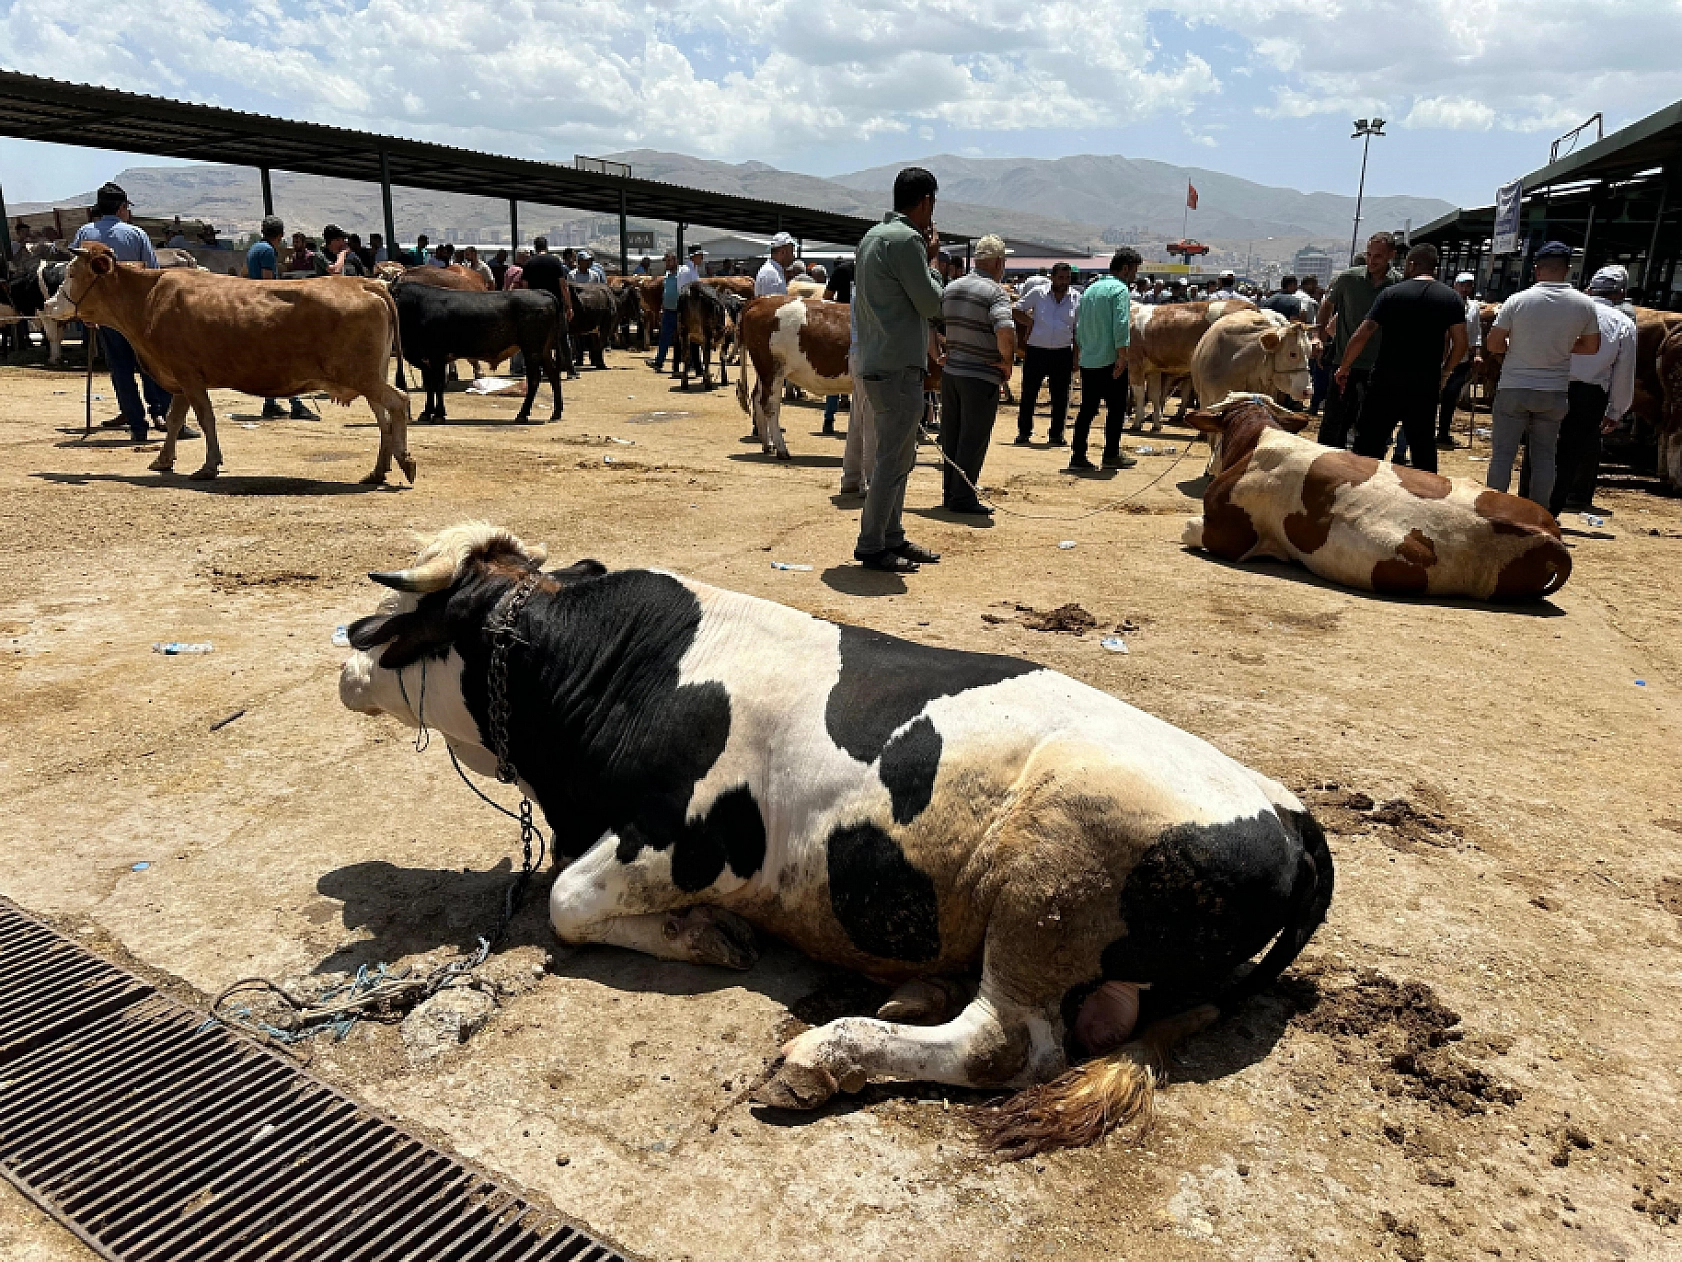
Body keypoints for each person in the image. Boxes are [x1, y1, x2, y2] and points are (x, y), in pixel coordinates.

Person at [851, 166, 946, 574]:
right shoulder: (908, 241)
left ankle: (891, 535)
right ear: (926, 202)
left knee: (898, 456)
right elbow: (932, 303)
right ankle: (872, 544)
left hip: (876, 359)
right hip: (898, 367)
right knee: (893, 460)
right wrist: (933, 260)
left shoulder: (872, 237)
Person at [1484, 241, 1601, 509]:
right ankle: (1538, 514)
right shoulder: (1584, 304)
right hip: (1553, 391)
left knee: (1503, 454)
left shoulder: (1518, 300)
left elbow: (1493, 344)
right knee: (1545, 457)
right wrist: (1560, 347)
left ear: (1537, 269)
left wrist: (1517, 346)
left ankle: (1493, 513)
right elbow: (1591, 347)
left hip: (1514, 386)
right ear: (1568, 270)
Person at [69, 182, 188, 445]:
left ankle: (137, 426)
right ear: (122, 207)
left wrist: (85, 312)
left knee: (120, 369)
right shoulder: (136, 234)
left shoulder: (84, 234)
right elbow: (153, 272)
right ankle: (167, 419)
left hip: (106, 315)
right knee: (152, 366)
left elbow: (76, 275)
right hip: (137, 316)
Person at [1336, 243, 1467, 474]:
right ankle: (1425, 493)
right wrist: (1445, 372)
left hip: (1386, 380)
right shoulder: (1451, 298)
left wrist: (1344, 366)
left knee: (1369, 443)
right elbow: (1460, 343)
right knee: (1422, 446)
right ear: (1435, 268)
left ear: (1412, 265)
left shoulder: (1392, 294)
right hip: (1425, 383)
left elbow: (1363, 333)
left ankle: (1362, 487)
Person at [1537, 266, 1636, 514]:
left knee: (1540, 444)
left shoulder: (1563, 312)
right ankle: (1551, 510)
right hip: (1589, 395)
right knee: (1570, 453)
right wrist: (1616, 410)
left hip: (1551, 383)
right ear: (1620, 294)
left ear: (1589, 289)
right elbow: (1624, 372)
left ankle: (1528, 503)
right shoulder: (1623, 323)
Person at [937, 234, 1017, 514]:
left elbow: (933, 324)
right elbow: (1005, 330)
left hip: (951, 373)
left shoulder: (951, 288)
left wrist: (941, 353)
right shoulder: (995, 293)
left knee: (951, 435)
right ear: (998, 262)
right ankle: (963, 498)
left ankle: (950, 493)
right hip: (980, 375)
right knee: (973, 438)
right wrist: (1007, 362)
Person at [1314, 232, 1400, 449]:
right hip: (1344, 364)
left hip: (1378, 367)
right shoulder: (1348, 279)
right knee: (1334, 424)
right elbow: (1327, 305)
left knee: (1370, 425)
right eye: (1369, 254)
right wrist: (1318, 336)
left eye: (1378, 256)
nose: (1372, 261)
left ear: (1391, 255)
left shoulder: (1398, 285)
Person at [1067, 247, 1142, 472]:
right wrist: (1122, 355)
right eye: (1134, 270)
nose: (1135, 275)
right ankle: (1110, 454)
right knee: (1116, 409)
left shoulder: (1091, 289)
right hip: (1110, 359)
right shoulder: (1119, 290)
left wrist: (1080, 352)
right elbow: (1121, 324)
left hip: (1089, 358)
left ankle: (1078, 456)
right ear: (1126, 268)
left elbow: (1080, 325)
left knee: (1087, 409)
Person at [245, 216, 319, 421]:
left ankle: (270, 403)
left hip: (255, 306)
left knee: (271, 359)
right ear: (280, 235)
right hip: (268, 309)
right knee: (286, 358)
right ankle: (296, 405)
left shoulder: (254, 249)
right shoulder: (268, 251)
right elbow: (269, 284)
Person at [1013, 262, 1080, 446]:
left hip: (1062, 352)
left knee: (1060, 396)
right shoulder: (1038, 293)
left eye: (1067, 278)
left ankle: (1056, 435)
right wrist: (1030, 322)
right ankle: (1024, 432)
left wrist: (1076, 357)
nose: (1064, 282)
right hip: (1037, 351)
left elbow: (1077, 330)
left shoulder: (1076, 298)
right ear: (1052, 277)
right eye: (1060, 278)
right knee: (1029, 393)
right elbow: (1016, 309)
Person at [521, 236, 577, 377]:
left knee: (538, 340)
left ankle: (541, 369)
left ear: (535, 247)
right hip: (554, 305)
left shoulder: (529, 264)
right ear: (546, 246)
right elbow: (563, 286)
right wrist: (569, 306)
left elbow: (525, 288)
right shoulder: (555, 261)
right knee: (562, 337)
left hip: (535, 307)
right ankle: (570, 369)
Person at [822, 257, 857, 435]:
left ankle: (829, 418)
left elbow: (826, 297)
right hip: (863, 326)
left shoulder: (842, 270)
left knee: (836, 370)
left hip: (840, 325)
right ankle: (855, 424)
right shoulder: (875, 270)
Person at [648, 250, 683, 372]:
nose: (667, 263)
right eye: (666, 261)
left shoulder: (681, 275)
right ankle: (659, 362)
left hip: (680, 311)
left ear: (675, 261)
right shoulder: (667, 276)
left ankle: (689, 363)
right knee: (664, 337)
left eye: (669, 261)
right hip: (668, 311)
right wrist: (662, 307)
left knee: (682, 339)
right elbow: (666, 292)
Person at [756, 232, 795, 296]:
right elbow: (770, 301)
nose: (793, 256)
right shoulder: (771, 273)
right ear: (783, 252)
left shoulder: (774, 271)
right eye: (791, 252)